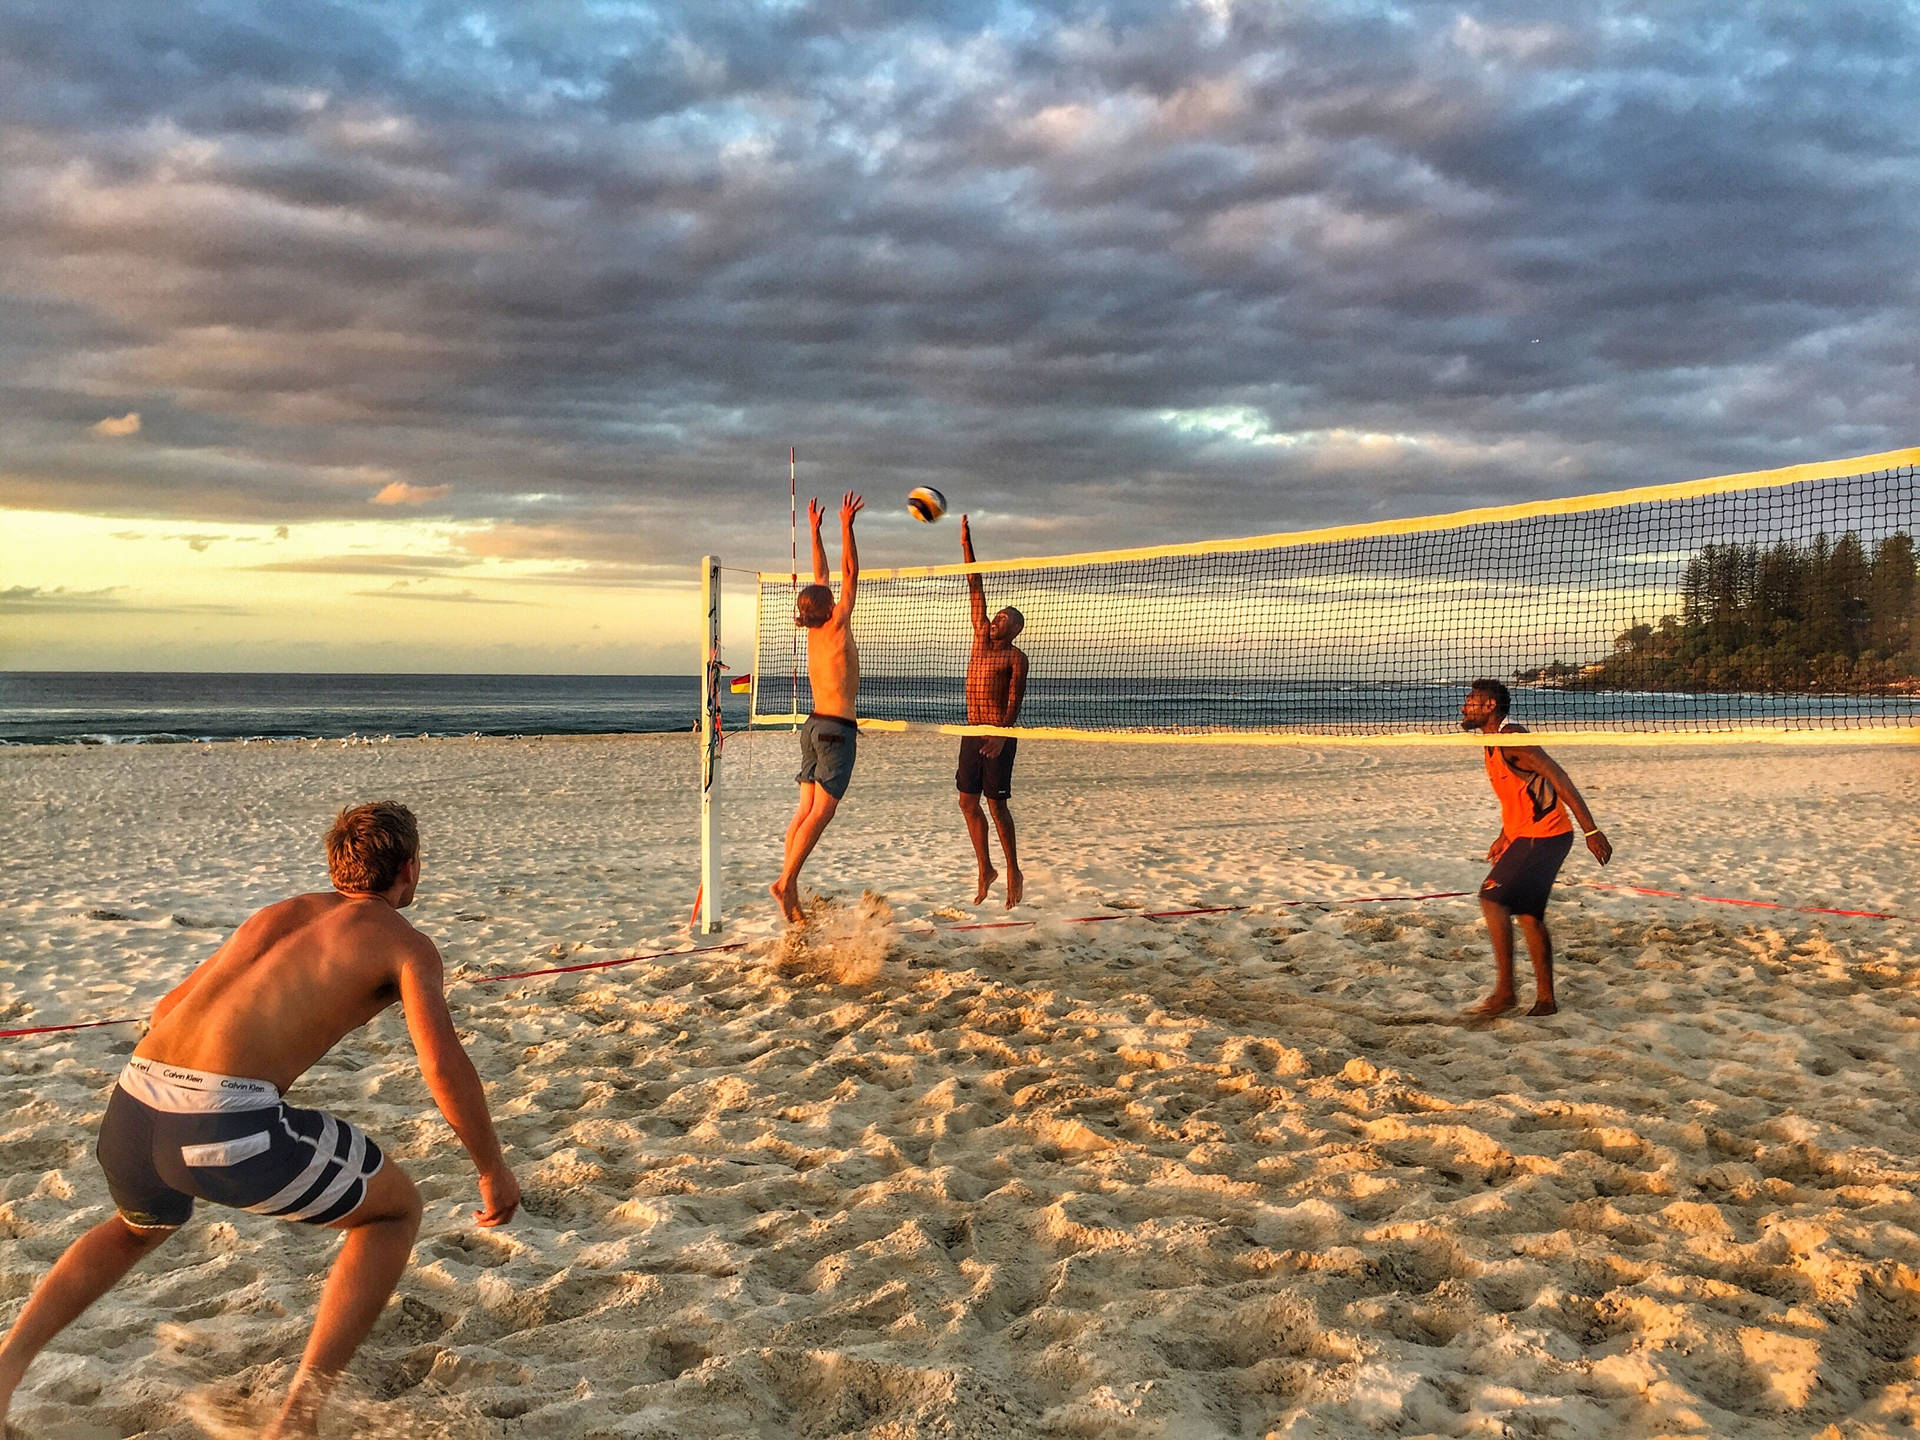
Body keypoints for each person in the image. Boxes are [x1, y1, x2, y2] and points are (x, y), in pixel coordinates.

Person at [0, 801, 520, 1439]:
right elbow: (442, 1065)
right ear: (409, 869)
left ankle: (7, 1366)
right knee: (394, 1212)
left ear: (336, 865)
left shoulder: (277, 915)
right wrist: (492, 1168)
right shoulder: (405, 944)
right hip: (221, 1123)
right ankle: (297, 1421)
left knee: (139, 1226)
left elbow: (168, 1006)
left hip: (132, 1109)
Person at [1459, 679, 1612, 1018]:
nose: (1463, 706)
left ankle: (1505, 993)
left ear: (1489, 707)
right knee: (1529, 915)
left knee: (1491, 897)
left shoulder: (1513, 739)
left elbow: (1558, 777)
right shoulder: (1493, 742)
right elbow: (1524, 791)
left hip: (1543, 837)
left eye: (1470, 701)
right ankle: (1545, 1000)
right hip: (1534, 835)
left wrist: (1592, 829)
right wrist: (1504, 833)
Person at [771, 491, 864, 924]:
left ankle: (787, 885)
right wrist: (845, 525)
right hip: (835, 730)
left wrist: (814, 529)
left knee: (804, 811)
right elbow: (847, 572)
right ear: (828, 607)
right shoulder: (836, 621)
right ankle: (787, 881)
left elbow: (822, 574)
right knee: (822, 813)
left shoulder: (812, 625)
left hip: (812, 727)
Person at [957, 514, 1030, 907]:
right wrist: (966, 543)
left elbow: (1015, 699)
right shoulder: (980, 638)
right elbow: (975, 584)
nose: (995, 620)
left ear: (1013, 630)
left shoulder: (1017, 658)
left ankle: (1013, 869)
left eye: (1003, 619)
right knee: (967, 802)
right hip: (971, 730)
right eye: (996, 615)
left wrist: (1002, 735)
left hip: (998, 735)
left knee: (997, 805)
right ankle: (985, 868)